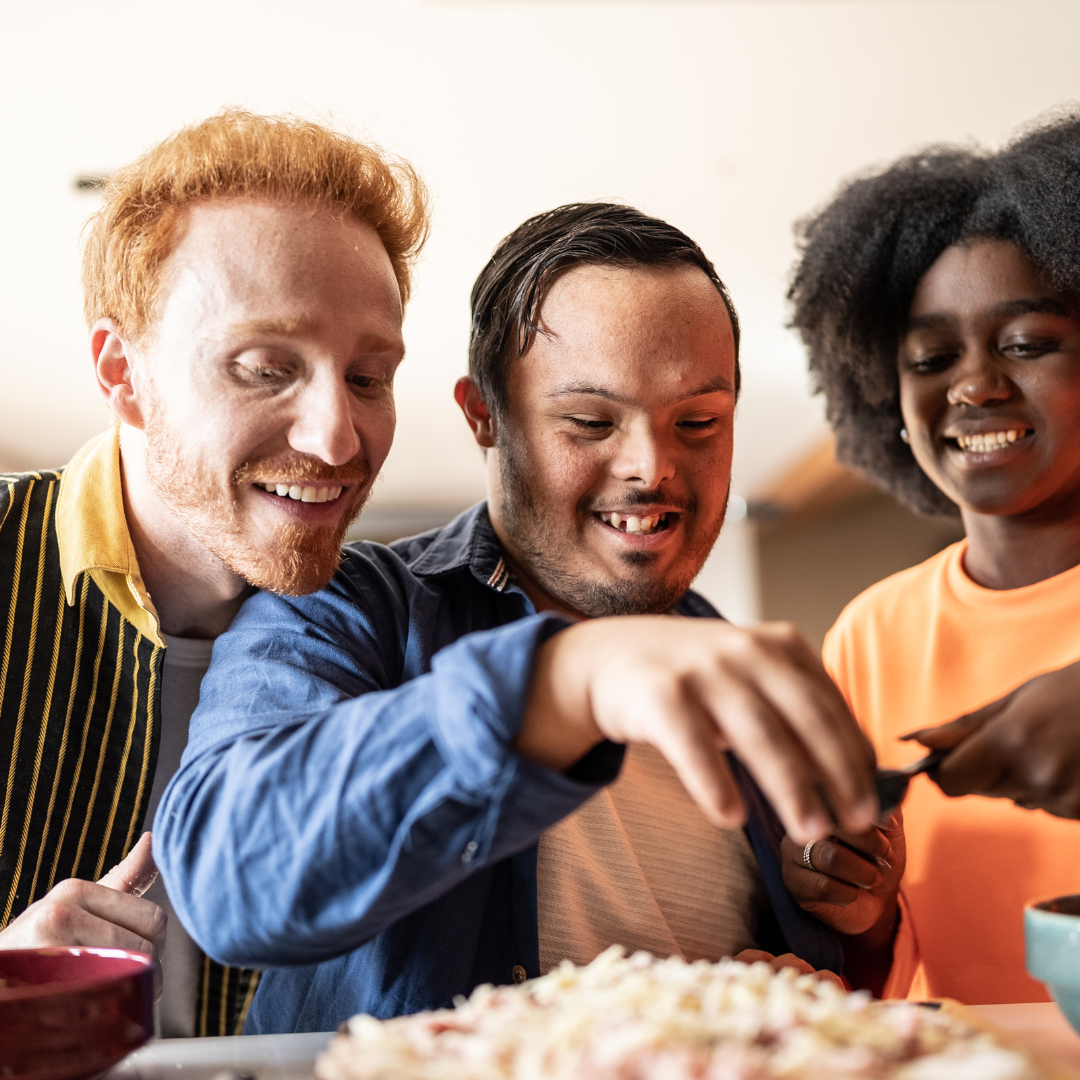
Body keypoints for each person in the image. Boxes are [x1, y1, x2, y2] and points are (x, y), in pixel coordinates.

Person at [155, 202, 878, 1035]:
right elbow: (230, 879)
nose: (652, 466)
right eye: (591, 422)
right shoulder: (343, 608)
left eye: (698, 424)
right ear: (483, 416)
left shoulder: (745, 676)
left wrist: (848, 928)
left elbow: (818, 973)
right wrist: (563, 683)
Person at [0, 109, 428, 1036]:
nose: (337, 438)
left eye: (367, 377)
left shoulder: (395, 636)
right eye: (266, 368)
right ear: (123, 372)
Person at [782, 111, 1080, 1004]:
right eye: (931, 356)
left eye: (1026, 344)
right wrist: (861, 910)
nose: (975, 385)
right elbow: (879, 969)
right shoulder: (873, 634)